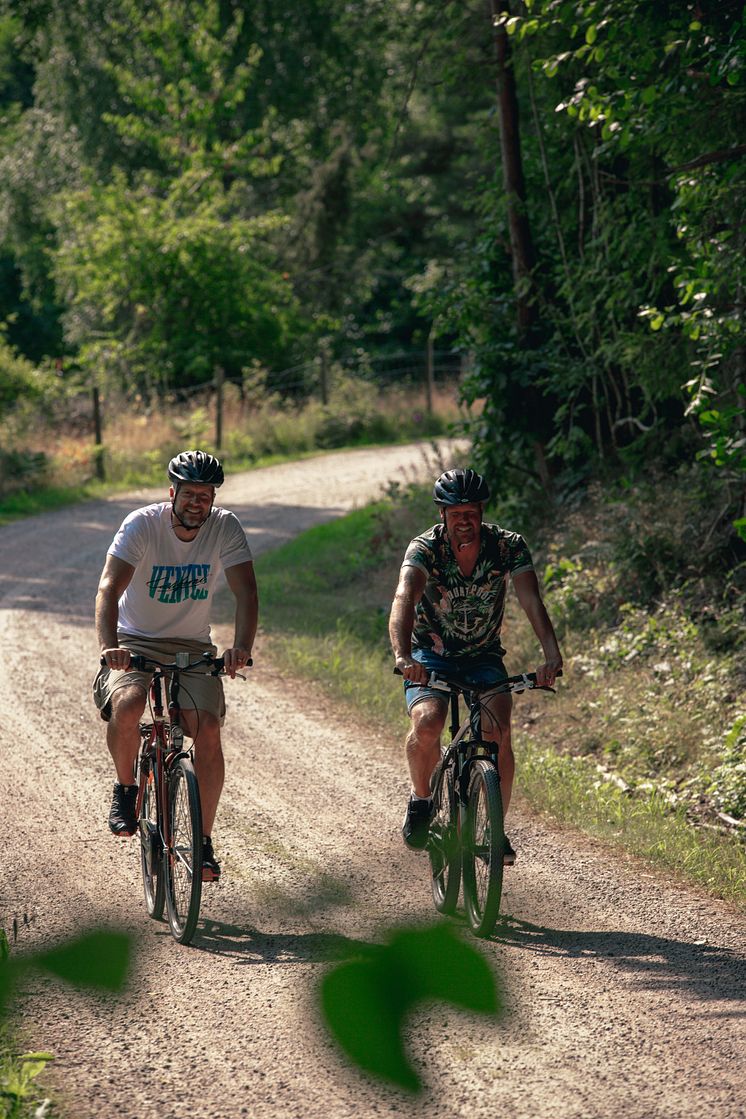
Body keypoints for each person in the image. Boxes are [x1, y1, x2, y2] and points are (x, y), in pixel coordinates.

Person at [93, 449, 258, 882]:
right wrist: (110, 647)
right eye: (189, 495)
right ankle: (126, 789)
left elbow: (246, 593)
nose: (196, 503)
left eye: (205, 496)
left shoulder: (225, 527)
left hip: (191, 644)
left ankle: (202, 841)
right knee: (128, 705)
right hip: (134, 640)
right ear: (173, 493)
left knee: (206, 727)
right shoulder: (142, 524)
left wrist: (240, 647)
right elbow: (109, 588)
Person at [389, 467, 562, 862]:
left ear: (482, 511)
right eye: (455, 514)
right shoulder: (425, 549)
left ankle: (494, 830)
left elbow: (531, 600)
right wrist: (404, 656)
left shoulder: (508, 547)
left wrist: (551, 654)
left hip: (484, 655)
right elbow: (404, 598)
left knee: (498, 729)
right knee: (429, 722)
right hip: (431, 656)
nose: (464, 521)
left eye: (471, 512)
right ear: (442, 514)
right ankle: (420, 799)